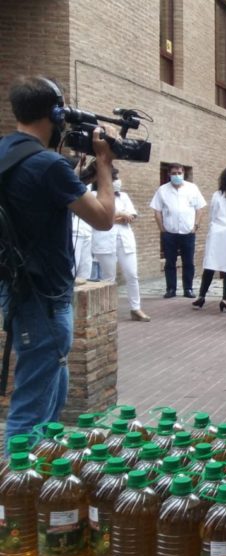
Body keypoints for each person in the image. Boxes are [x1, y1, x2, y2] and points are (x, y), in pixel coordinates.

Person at [0, 76, 117, 446]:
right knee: (30, 407)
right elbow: (103, 217)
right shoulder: (48, 165)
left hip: (18, 287)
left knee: (53, 381)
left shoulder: (8, 153)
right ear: (55, 113)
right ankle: (15, 492)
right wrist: (103, 165)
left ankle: (41, 472)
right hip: (43, 295)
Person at [90, 167, 150, 322]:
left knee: (132, 274)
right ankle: (108, 310)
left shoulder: (123, 196)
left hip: (124, 239)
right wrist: (120, 214)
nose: (117, 181)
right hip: (104, 238)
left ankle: (135, 308)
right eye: (113, 178)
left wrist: (115, 216)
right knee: (108, 278)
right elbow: (98, 216)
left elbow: (131, 215)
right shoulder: (93, 195)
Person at [193, 166, 226, 313]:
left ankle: (201, 296)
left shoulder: (218, 195)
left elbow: (213, 214)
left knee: (210, 264)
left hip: (218, 233)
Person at [151, 163, 206, 298]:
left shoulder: (192, 188)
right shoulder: (162, 190)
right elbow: (157, 211)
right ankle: (171, 289)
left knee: (188, 262)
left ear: (183, 173)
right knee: (170, 262)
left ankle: (188, 289)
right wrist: (162, 229)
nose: (177, 176)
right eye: (174, 173)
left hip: (188, 233)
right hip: (170, 233)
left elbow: (200, 209)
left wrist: (195, 226)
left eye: (179, 173)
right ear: (169, 174)